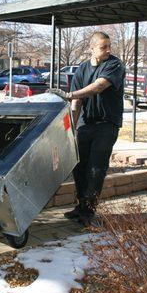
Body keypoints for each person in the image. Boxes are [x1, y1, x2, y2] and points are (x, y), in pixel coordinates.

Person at [48, 32, 125, 226]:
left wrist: (69, 94)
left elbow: (98, 87)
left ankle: (89, 211)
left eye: (109, 46)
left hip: (107, 124)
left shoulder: (114, 65)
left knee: (96, 169)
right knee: (79, 167)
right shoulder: (82, 69)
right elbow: (77, 102)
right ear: (91, 48)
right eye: (103, 47)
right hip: (85, 124)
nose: (108, 50)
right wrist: (71, 129)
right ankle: (80, 206)